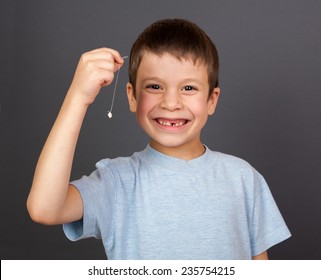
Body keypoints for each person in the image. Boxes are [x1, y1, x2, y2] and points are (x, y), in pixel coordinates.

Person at [27, 18, 291, 260]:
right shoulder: (116, 182)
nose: (171, 102)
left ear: (212, 100)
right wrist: (78, 97)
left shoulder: (243, 178)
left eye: (188, 88)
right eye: (155, 86)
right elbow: (44, 209)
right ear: (132, 96)